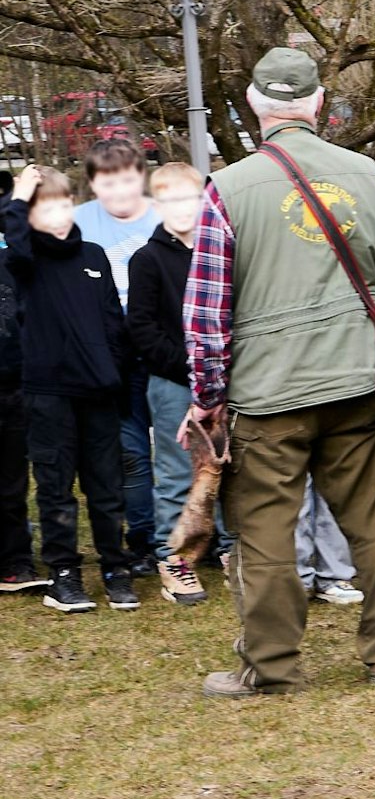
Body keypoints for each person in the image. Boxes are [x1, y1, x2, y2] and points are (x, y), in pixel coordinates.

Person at [185, 47, 375, 696]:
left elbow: (207, 315)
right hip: (358, 387)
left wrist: (207, 399)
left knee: (264, 536)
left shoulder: (227, 190)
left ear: (257, 109)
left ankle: (272, 668)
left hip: (266, 396)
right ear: (319, 104)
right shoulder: (371, 177)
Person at [3, 166, 137, 612]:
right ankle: (65, 576)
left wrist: (113, 371)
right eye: (46, 209)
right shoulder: (23, 261)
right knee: (56, 486)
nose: (59, 216)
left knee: (105, 485)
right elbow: (15, 240)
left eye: (64, 205)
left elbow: (112, 322)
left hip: (98, 391)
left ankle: (116, 569)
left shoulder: (94, 255)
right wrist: (19, 196)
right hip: (47, 394)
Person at [126, 162, 226, 603]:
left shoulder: (220, 252)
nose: (181, 209)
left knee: (225, 467)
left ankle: (226, 546)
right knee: (175, 472)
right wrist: (190, 368)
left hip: (223, 380)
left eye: (189, 199)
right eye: (169, 201)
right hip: (172, 383)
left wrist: (219, 371)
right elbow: (142, 328)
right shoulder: (147, 259)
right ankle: (175, 559)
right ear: (156, 205)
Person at [75, 138, 163, 569]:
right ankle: (143, 538)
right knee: (129, 452)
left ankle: (186, 536)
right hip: (112, 354)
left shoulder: (166, 216)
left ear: (141, 178)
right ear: (92, 184)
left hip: (165, 349)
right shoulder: (78, 224)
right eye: (108, 182)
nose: (119, 191)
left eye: (127, 180)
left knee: (177, 449)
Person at [0, 168, 46, 594]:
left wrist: (19, 199)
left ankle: (15, 562)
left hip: (13, 372)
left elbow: (25, 255)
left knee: (13, 475)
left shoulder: (14, 214)